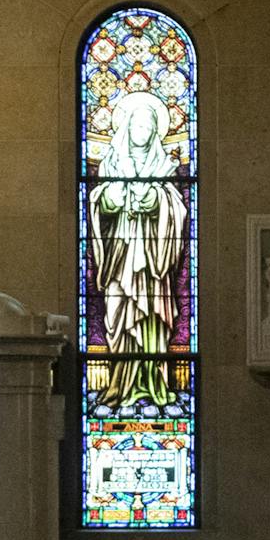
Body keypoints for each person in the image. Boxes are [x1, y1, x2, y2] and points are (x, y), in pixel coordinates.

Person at [87, 91, 189, 409]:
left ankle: (155, 382)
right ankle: (121, 383)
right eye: (137, 125)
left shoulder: (164, 164)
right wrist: (109, 199)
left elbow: (177, 208)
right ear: (127, 127)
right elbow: (97, 203)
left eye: (149, 126)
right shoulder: (111, 162)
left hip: (153, 262)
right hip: (120, 255)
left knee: (152, 319)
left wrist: (157, 201)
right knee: (120, 314)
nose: (142, 131)